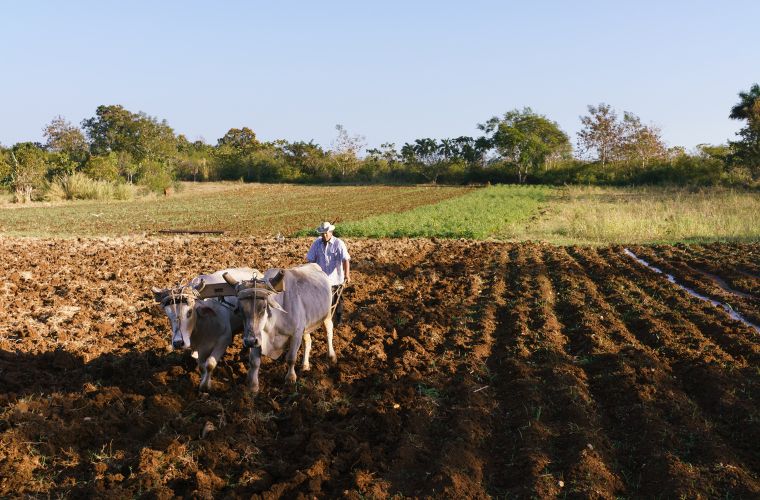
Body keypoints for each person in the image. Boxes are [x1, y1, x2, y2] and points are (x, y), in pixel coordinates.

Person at [306, 221, 351, 325]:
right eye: (322, 233)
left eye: (326, 233)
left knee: (337, 301)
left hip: (335, 280)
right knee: (321, 303)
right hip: (320, 281)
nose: (324, 235)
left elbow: (345, 260)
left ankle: (338, 321)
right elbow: (310, 260)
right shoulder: (316, 243)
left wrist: (347, 275)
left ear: (331, 232)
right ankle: (322, 321)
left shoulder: (338, 243)